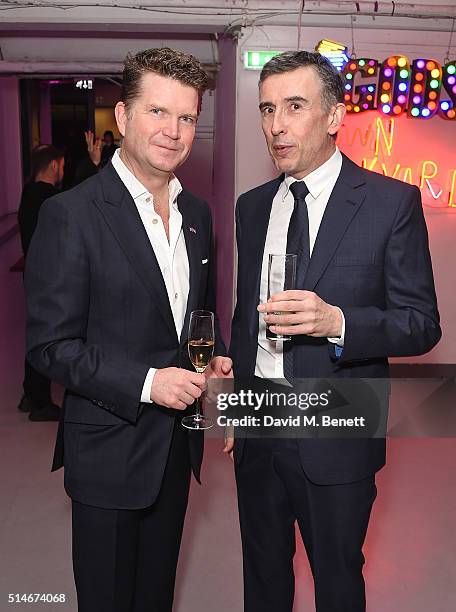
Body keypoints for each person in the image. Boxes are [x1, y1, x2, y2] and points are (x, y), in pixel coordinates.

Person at [227, 51, 441, 612]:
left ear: (332, 116)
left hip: (339, 423)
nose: (276, 125)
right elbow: (246, 312)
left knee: (338, 578)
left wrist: (338, 322)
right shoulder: (251, 208)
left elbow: (421, 324)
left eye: (294, 107)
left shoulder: (390, 202)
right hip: (259, 422)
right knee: (263, 574)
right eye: (267, 109)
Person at [25, 47, 232, 612]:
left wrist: (214, 357)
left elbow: (193, 316)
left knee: (155, 598)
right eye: (157, 112)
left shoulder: (199, 215)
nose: (173, 131)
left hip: (176, 447)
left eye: (186, 117)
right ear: (122, 117)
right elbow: (49, 345)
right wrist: (148, 383)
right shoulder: (72, 214)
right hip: (109, 450)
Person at [17, 144, 64, 421]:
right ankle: (40, 402)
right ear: (55, 166)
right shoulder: (48, 198)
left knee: (38, 332)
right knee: (48, 337)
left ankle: (30, 394)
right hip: (49, 277)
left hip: (35, 274)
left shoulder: (29, 193)